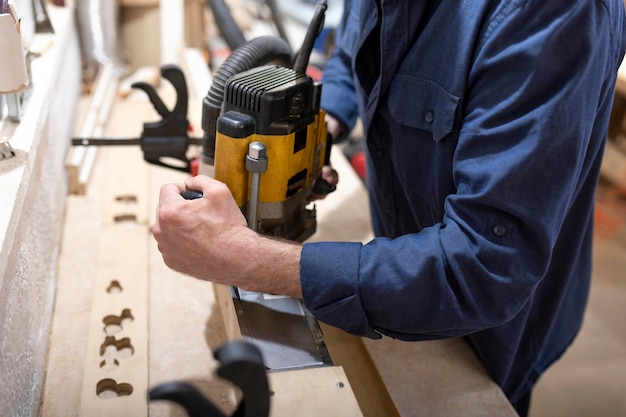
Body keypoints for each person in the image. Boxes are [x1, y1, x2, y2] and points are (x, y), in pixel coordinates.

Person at [153, 1, 626, 415]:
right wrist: (318, 133)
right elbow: (347, 54)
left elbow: (485, 268)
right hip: (397, 269)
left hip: (495, 326)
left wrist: (243, 258)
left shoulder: (549, 14)